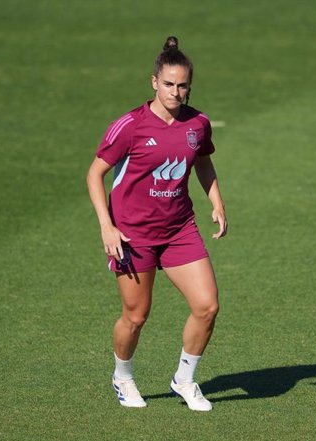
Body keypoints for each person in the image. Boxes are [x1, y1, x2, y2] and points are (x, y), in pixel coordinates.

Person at [86, 36, 227, 411]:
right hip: (133, 235)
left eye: (182, 85)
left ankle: (184, 379)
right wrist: (106, 226)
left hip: (180, 229)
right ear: (154, 82)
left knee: (207, 306)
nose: (175, 92)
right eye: (168, 84)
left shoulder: (198, 123)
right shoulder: (129, 126)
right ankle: (123, 377)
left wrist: (216, 200)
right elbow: (94, 174)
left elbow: (202, 160)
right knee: (136, 316)